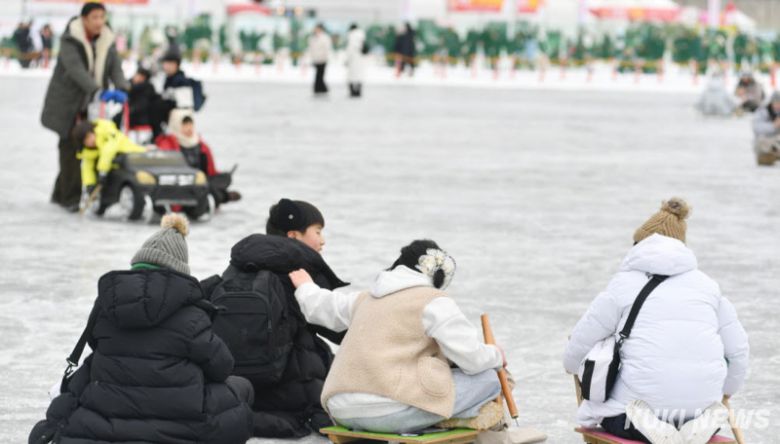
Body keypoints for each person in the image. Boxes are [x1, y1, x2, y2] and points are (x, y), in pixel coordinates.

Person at [28, 214, 254, 444]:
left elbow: (97, 349)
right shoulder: (192, 316)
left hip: (105, 420)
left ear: (137, 265)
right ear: (179, 270)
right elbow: (222, 366)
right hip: (179, 425)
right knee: (241, 390)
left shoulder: (109, 307)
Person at [563, 198, 749, 444]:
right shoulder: (708, 287)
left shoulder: (623, 285)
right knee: (696, 404)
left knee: (611, 410)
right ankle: (696, 425)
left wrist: (572, 365)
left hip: (633, 415)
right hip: (698, 409)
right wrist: (727, 391)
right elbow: (738, 352)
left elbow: (581, 343)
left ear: (638, 245)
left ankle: (650, 425)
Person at [287, 240, 505, 434]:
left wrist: (305, 285)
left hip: (341, 408)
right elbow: (471, 358)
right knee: (489, 378)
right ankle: (450, 417)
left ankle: (439, 417)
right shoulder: (433, 300)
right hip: (391, 411)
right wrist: (496, 355)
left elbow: (322, 306)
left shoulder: (366, 299)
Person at [201, 198, 348, 438]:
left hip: (238, 394)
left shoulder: (237, 269)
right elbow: (340, 329)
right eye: (318, 232)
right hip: (297, 400)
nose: (322, 240)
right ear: (293, 235)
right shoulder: (301, 276)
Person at [41, 2, 128, 212]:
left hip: (91, 105)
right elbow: (75, 69)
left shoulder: (107, 39)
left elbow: (115, 67)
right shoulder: (70, 38)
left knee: (85, 146)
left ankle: (59, 193)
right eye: (95, 17)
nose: (99, 22)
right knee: (70, 147)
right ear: (84, 19)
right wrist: (98, 90)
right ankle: (70, 199)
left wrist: (123, 88)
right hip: (66, 103)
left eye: (102, 17)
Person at [155, 110, 241, 205]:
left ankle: (213, 192)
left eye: (190, 124)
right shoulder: (166, 144)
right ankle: (224, 196)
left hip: (202, 180)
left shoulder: (201, 145)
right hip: (181, 183)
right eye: (184, 125)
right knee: (204, 187)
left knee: (223, 179)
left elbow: (211, 171)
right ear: (176, 125)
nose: (189, 128)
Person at [72, 119, 146, 194]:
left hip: (132, 157)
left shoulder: (107, 132)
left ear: (93, 131)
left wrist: (102, 172)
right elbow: (87, 167)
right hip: (115, 171)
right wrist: (89, 184)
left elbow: (108, 150)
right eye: (85, 140)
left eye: (89, 136)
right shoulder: (88, 152)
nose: (90, 141)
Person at [127, 66, 164, 141]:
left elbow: (140, 107)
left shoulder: (145, 90)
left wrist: (127, 114)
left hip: (142, 126)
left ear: (143, 77)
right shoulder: (132, 88)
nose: (134, 77)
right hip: (134, 124)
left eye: (137, 75)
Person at [752, 90, 780, 165]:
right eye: (776, 102)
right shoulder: (763, 111)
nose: (778, 105)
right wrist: (774, 125)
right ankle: (768, 156)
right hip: (766, 143)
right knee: (762, 141)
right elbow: (757, 128)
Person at [308, 24, 332, 95]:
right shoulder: (312, 38)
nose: (316, 30)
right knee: (318, 74)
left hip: (323, 59)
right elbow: (311, 49)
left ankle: (321, 89)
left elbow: (327, 49)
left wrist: (325, 57)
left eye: (317, 28)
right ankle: (320, 89)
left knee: (320, 75)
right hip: (316, 59)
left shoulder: (325, 38)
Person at [345, 23, 366, 98]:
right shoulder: (361, 36)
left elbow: (350, 49)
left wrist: (347, 60)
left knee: (351, 76)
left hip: (353, 59)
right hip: (360, 59)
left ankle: (352, 92)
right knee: (359, 75)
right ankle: (358, 91)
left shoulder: (351, 36)